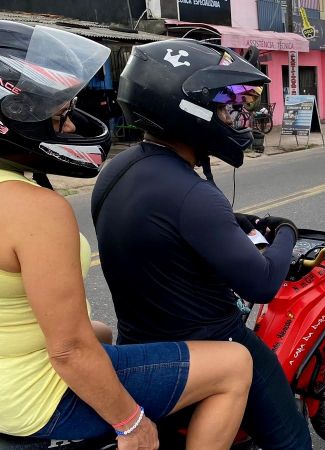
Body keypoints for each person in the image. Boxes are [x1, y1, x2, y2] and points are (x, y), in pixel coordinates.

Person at [0, 22, 251, 448]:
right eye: (59, 116)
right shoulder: (34, 208)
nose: (67, 128)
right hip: (33, 396)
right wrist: (131, 423)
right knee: (235, 364)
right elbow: (68, 352)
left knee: (100, 331)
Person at [90, 39, 312, 449]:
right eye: (227, 105)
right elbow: (262, 283)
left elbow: (163, 234)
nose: (238, 116)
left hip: (142, 347)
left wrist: (235, 221)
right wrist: (287, 234)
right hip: (212, 343)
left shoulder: (115, 171)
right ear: (185, 108)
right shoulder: (193, 194)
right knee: (294, 440)